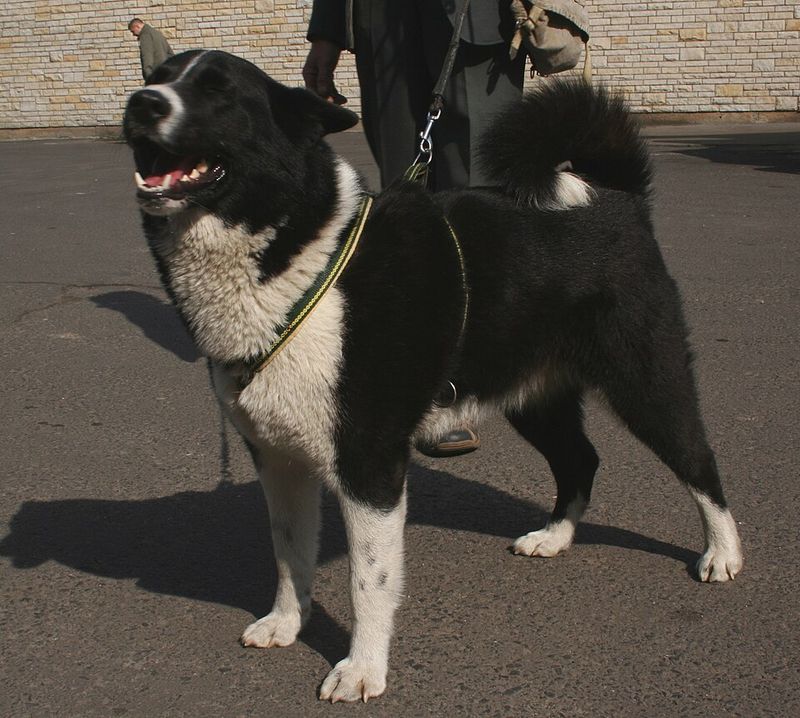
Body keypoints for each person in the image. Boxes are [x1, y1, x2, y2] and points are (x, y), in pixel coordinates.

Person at [303, 1, 527, 456]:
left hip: (476, 13)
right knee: (407, 202)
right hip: (384, 20)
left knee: (481, 194)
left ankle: (491, 360)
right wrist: (326, 32)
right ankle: (432, 379)